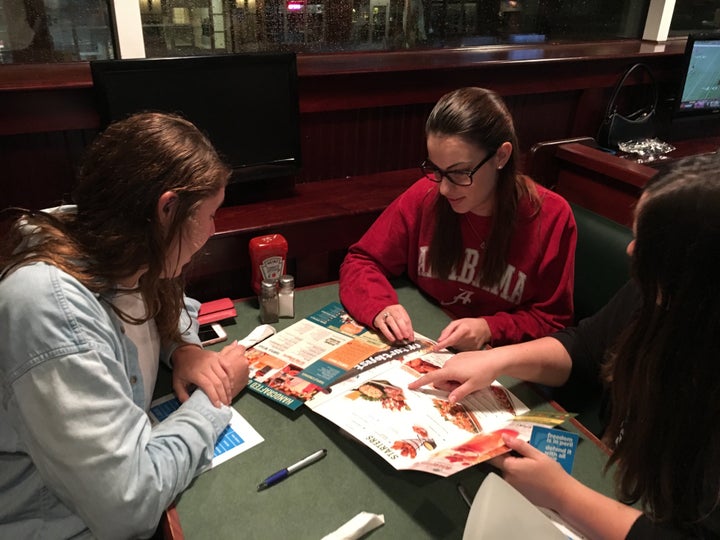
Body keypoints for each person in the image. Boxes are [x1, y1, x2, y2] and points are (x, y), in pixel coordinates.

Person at [409, 153, 720, 538]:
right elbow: (587, 347)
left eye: (648, 243)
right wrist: (497, 360)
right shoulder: (656, 292)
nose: (630, 250)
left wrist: (562, 494)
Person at [0, 112, 249, 538]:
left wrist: (183, 348)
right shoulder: (48, 307)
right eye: (210, 215)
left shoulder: (125, 248)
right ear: (168, 209)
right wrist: (214, 402)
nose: (213, 229)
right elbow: (126, 506)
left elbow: (172, 305)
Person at [339, 87, 576, 351]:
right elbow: (361, 260)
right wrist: (379, 305)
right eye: (436, 170)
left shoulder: (551, 216)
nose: (444, 189)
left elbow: (553, 322)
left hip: (501, 359)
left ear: (501, 156)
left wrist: (489, 328)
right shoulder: (425, 195)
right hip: (425, 342)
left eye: (460, 172)